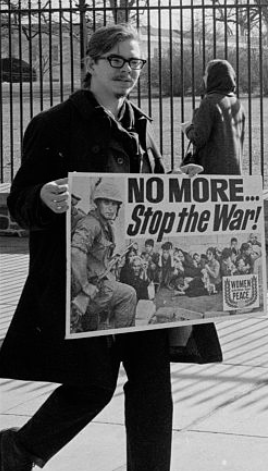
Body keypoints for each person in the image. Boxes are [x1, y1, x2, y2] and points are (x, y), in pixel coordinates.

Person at [0, 24, 174, 470]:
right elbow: (21, 199)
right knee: (92, 385)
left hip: (139, 272)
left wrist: (179, 185)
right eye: (116, 59)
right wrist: (41, 197)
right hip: (84, 279)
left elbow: (149, 198)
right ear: (90, 63)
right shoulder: (54, 125)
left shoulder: (140, 125)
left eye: (135, 61)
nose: (127, 70)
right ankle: (18, 450)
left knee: (153, 384)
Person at [69, 177, 137, 333]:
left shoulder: (104, 224)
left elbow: (94, 256)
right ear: (97, 204)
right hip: (84, 287)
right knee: (128, 294)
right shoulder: (91, 223)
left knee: (90, 330)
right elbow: (75, 252)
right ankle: (125, 340)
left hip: (94, 283)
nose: (111, 208)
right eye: (106, 203)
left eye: (114, 204)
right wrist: (85, 286)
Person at [182, 59, 246, 174]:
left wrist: (187, 128)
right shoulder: (237, 103)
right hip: (235, 170)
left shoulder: (209, 101)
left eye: (206, 74)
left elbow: (198, 138)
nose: (204, 78)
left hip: (212, 172)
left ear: (213, 76)